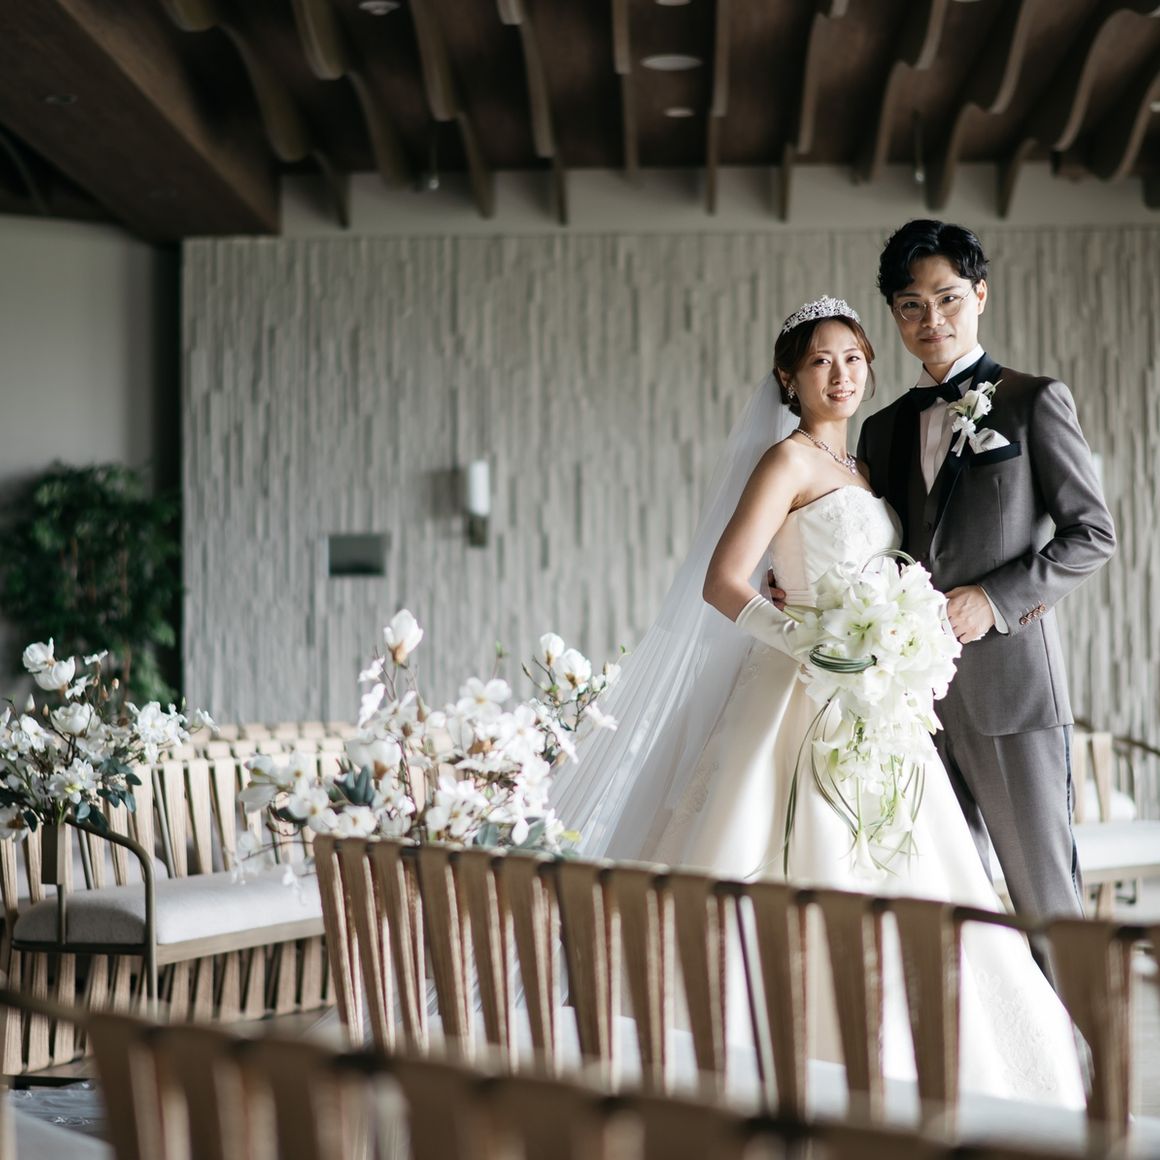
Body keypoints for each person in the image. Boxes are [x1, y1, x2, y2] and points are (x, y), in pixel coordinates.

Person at [553, 295, 1085, 1104]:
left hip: (879, 699)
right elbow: (722, 581)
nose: (840, 375)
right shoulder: (788, 461)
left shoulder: (864, 468)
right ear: (789, 379)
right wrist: (810, 643)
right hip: (801, 688)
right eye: (820, 362)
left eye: (853, 359)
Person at [852, 220, 1116, 930]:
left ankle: (1075, 1013)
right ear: (895, 315)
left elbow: (1092, 534)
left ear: (980, 295)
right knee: (944, 907)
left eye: (947, 298)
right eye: (911, 305)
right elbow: (872, 547)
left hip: (1013, 696)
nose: (931, 319)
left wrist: (993, 599)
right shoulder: (880, 429)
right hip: (913, 707)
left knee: (1047, 905)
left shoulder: (1033, 400)